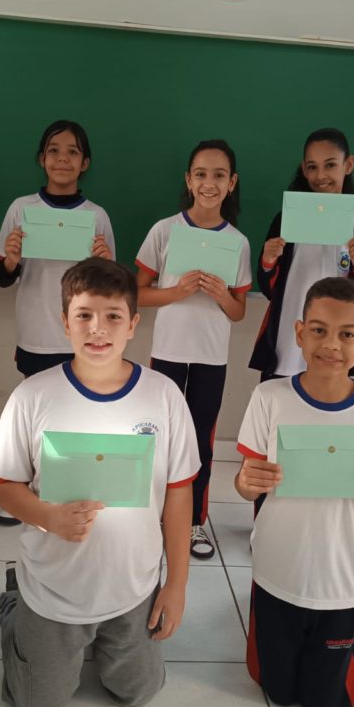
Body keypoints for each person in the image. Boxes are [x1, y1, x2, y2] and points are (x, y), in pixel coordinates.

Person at [0, 257, 198, 707]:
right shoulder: (34, 396)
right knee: (34, 705)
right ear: (65, 322)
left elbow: (180, 492)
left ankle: (104, 636)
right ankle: (14, 601)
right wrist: (48, 517)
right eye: (83, 315)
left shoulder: (163, 396)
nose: (97, 328)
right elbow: (1, 484)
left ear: (133, 325)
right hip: (54, 587)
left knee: (137, 693)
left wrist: (176, 585)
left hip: (133, 585)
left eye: (113, 316)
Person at [235, 277, 354, 707]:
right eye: (318, 330)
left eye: (347, 334)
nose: (331, 345)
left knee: (328, 704)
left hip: (339, 580)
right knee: (276, 691)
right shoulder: (269, 397)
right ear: (299, 333)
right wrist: (247, 481)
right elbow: (245, 486)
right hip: (276, 571)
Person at [0, 120, 115, 526]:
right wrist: (11, 260)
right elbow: (2, 276)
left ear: (85, 163)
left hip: (84, 337)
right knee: (34, 414)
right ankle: (24, 492)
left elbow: (109, 287)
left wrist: (104, 262)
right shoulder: (21, 209)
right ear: (42, 159)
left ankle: (71, 488)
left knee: (79, 414)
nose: (63, 159)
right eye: (54, 151)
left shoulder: (96, 216)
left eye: (73, 152)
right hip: (36, 331)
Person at [135, 139, 251, 559]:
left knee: (200, 440)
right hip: (168, 352)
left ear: (232, 183)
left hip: (210, 358)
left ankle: (194, 522)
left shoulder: (237, 242)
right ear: (188, 180)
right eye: (201, 174)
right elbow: (136, 293)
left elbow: (238, 312)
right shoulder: (164, 230)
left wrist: (221, 295)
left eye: (219, 175)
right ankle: (153, 514)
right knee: (159, 436)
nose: (209, 183)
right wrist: (176, 291)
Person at [249, 128, 354, 381]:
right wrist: (268, 262)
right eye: (312, 167)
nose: (320, 176)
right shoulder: (286, 220)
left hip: (333, 349)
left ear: (348, 165)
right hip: (285, 343)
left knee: (325, 400)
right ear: (304, 170)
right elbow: (269, 288)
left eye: (330, 165)